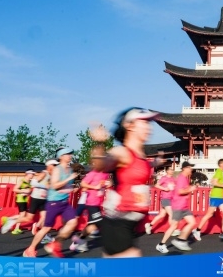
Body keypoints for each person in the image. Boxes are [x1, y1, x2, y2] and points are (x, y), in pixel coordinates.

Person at [89, 108, 165, 258]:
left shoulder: (140, 157)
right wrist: (99, 144)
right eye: (144, 122)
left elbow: (140, 168)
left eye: (149, 123)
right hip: (117, 224)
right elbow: (99, 165)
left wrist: (155, 163)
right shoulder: (122, 152)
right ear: (130, 126)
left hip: (130, 226)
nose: (149, 127)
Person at [23, 147, 79, 258]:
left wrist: (73, 187)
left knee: (73, 222)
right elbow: (55, 185)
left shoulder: (70, 170)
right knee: (47, 228)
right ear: (61, 156)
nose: (70, 156)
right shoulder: (57, 169)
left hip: (64, 203)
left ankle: (54, 244)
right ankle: (30, 249)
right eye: (68, 154)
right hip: (54, 203)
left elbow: (67, 186)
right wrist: (69, 179)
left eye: (70, 154)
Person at [70, 145, 111, 253]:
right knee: (100, 222)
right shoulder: (92, 173)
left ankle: (79, 241)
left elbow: (106, 183)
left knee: (92, 225)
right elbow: (83, 183)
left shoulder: (105, 174)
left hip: (98, 203)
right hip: (91, 202)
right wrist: (95, 187)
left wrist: (108, 184)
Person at [159, 161, 197, 252]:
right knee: (173, 226)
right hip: (178, 206)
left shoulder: (185, 178)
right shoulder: (181, 178)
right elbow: (180, 191)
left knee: (192, 222)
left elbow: (184, 189)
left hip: (184, 206)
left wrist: (191, 188)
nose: (191, 169)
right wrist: (191, 189)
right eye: (189, 167)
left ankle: (181, 240)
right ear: (184, 168)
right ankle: (161, 244)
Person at [195, 159, 223, 240]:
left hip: (220, 197)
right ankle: (197, 230)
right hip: (215, 196)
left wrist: (221, 184)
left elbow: (212, 181)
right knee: (209, 215)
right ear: (221, 164)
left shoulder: (220, 172)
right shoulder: (219, 171)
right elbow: (214, 183)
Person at [1, 170, 35, 234]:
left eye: (33, 174)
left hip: (25, 199)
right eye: (32, 174)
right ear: (27, 174)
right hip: (20, 199)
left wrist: (28, 192)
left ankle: (15, 226)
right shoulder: (22, 181)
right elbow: (14, 189)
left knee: (23, 215)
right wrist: (24, 191)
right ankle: (9, 220)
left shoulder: (29, 182)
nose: (33, 175)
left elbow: (28, 191)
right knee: (23, 214)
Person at [145, 165, 176, 235]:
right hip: (165, 198)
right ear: (167, 171)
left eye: (172, 170)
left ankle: (149, 225)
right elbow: (156, 185)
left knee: (162, 215)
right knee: (171, 214)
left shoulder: (173, 179)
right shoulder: (164, 178)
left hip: (171, 199)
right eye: (170, 169)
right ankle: (172, 230)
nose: (172, 171)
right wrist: (164, 189)